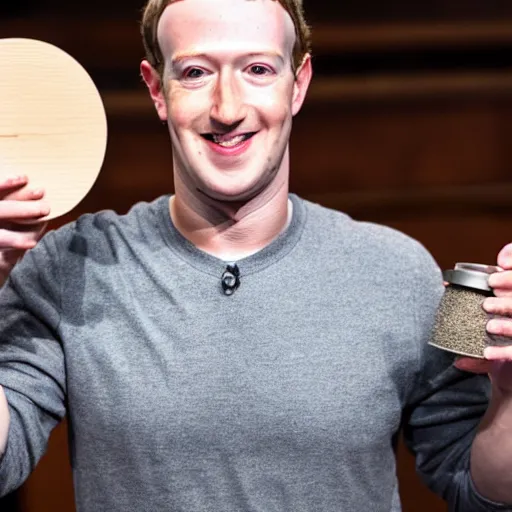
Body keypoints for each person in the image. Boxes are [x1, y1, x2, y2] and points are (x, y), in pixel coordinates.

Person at [1, 0, 512, 510]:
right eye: (196, 72)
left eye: (258, 69)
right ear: (157, 89)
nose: (227, 108)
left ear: (299, 83)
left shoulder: (403, 271)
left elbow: (480, 491)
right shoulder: (72, 264)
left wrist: (510, 395)